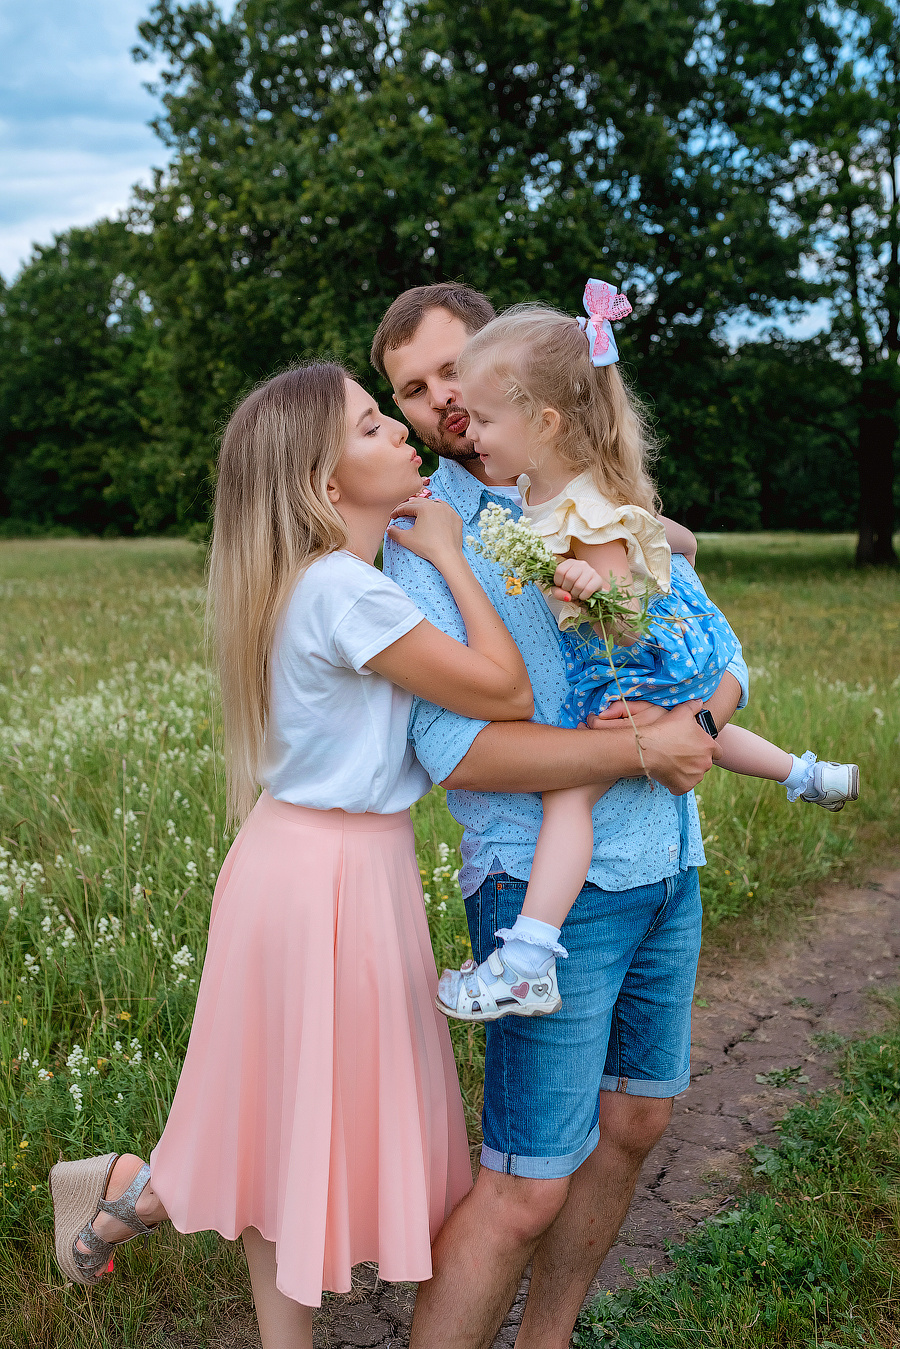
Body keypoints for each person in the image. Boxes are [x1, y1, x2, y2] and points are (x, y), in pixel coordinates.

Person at [48, 362, 539, 1349]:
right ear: (325, 483)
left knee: (293, 1128)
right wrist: (445, 553)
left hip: (329, 866)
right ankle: (128, 1194)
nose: (405, 436)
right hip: (324, 878)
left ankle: (121, 1192)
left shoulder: (319, 582)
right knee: (290, 1128)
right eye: (372, 426)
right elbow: (504, 691)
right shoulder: (346, 594)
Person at [373, 281, 747, 1349]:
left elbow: (723, 655)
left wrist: (702, 726)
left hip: (668, 860)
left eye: (455, 368)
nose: (443, 399)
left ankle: (550, 1338)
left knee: (636, 1123)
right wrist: (642, 745)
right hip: (550, 888)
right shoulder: (426, 539)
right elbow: (461, 750)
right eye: (413, 389)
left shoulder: (602, 490)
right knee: (526, 1183)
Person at [432, 286, 859, 1023]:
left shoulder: (584, 511)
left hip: (641, 665)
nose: (470, 431)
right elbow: (670, 542)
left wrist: (586, 585)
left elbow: (626, 612)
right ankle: (804, 773)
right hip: (680, 660)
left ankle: (529, 959)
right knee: (705, 733)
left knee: (570, 800)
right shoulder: (561, 485)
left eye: (486, 418)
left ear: (545, 422)